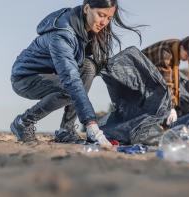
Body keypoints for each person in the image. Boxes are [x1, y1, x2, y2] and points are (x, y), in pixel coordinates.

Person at [10, 0, 141, 145]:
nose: (104, 22)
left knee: (88, 67)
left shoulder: (85, 31)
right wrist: (91, 123)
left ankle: (66, 130)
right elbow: (71, 79)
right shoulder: (62, 35)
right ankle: (23, 122)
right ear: (86, 9)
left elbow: (91, 68)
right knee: (70, 88)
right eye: (101, 15)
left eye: (109, 18)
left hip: (53, 75)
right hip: (25, 78)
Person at [142, 36, 189, 126]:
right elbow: (166, 82)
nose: (188, 59)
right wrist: (171, 107)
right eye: (187, 55)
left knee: (181, 86)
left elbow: (173, 80)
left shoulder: (177, 47)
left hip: (153, 74)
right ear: (182, 47)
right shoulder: (166, 53)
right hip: (140, 73)